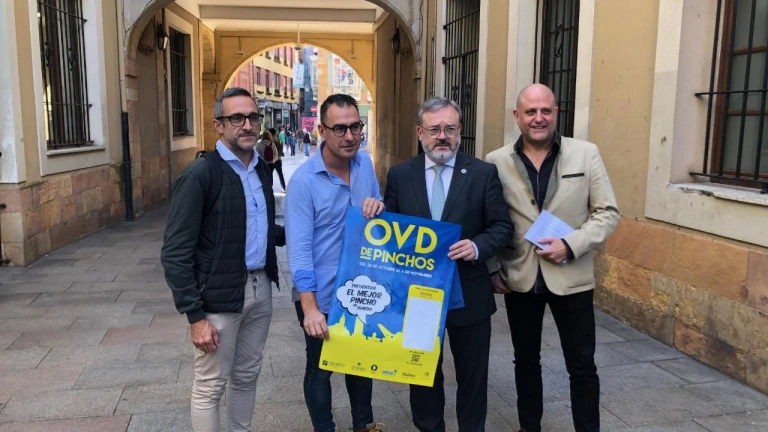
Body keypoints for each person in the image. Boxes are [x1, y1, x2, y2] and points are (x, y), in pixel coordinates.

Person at [485, 83, 619, 432]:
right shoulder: (496, 161)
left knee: (582, 364)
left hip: (572, 277)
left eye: (546, 110)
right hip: (520, 276)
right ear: (517, 116)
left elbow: (607, 213)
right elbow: (488, 220)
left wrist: (570, 244)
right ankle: (529, 427)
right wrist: (493, 267)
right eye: (531, 111)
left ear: (556, 113)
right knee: (526, 362)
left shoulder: (586, 154)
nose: (539, 118)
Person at [384, 97, 514, 432]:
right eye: (434, 129)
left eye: (450, 129)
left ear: (460, 131)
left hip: (469, 292)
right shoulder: (400, 175)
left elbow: (502, 226)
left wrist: (477, 246)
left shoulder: (483, 173)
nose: (442, 136)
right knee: (421, 374)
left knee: (473, 376)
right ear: (420, 133)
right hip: (418, 295)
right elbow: (390, 231)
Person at [161, 87, 285, 432]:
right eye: (237, 118)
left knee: (246, 376)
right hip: (218, 297)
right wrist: (195, 316)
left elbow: (259, 227)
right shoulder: (201, 175)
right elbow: (175, 252)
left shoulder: (261, 169)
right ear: (219, 125)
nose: (247, 125)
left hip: (260, 290)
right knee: (210, 385)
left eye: (253, 117)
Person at [285, 94, 387, 432]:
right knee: (320, 369)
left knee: (360, 362)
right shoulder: (303, 183)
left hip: (361, 288)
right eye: (339, 128)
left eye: (355, 127)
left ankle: (363, 425)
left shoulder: (364, 164)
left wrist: (378, 205)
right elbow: (299, 251)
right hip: (322, 294)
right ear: (322, 131)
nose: (349, 136)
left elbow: (376, 206)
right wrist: (310, 309)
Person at [268, 127, 287, 193]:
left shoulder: (269, 140)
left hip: (271, 160)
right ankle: (283, 188)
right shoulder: (277, 139)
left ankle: (270, 188)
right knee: (280, 174)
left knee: (270, 174)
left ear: (270, 133)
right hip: (278, 159)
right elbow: (280, 148)